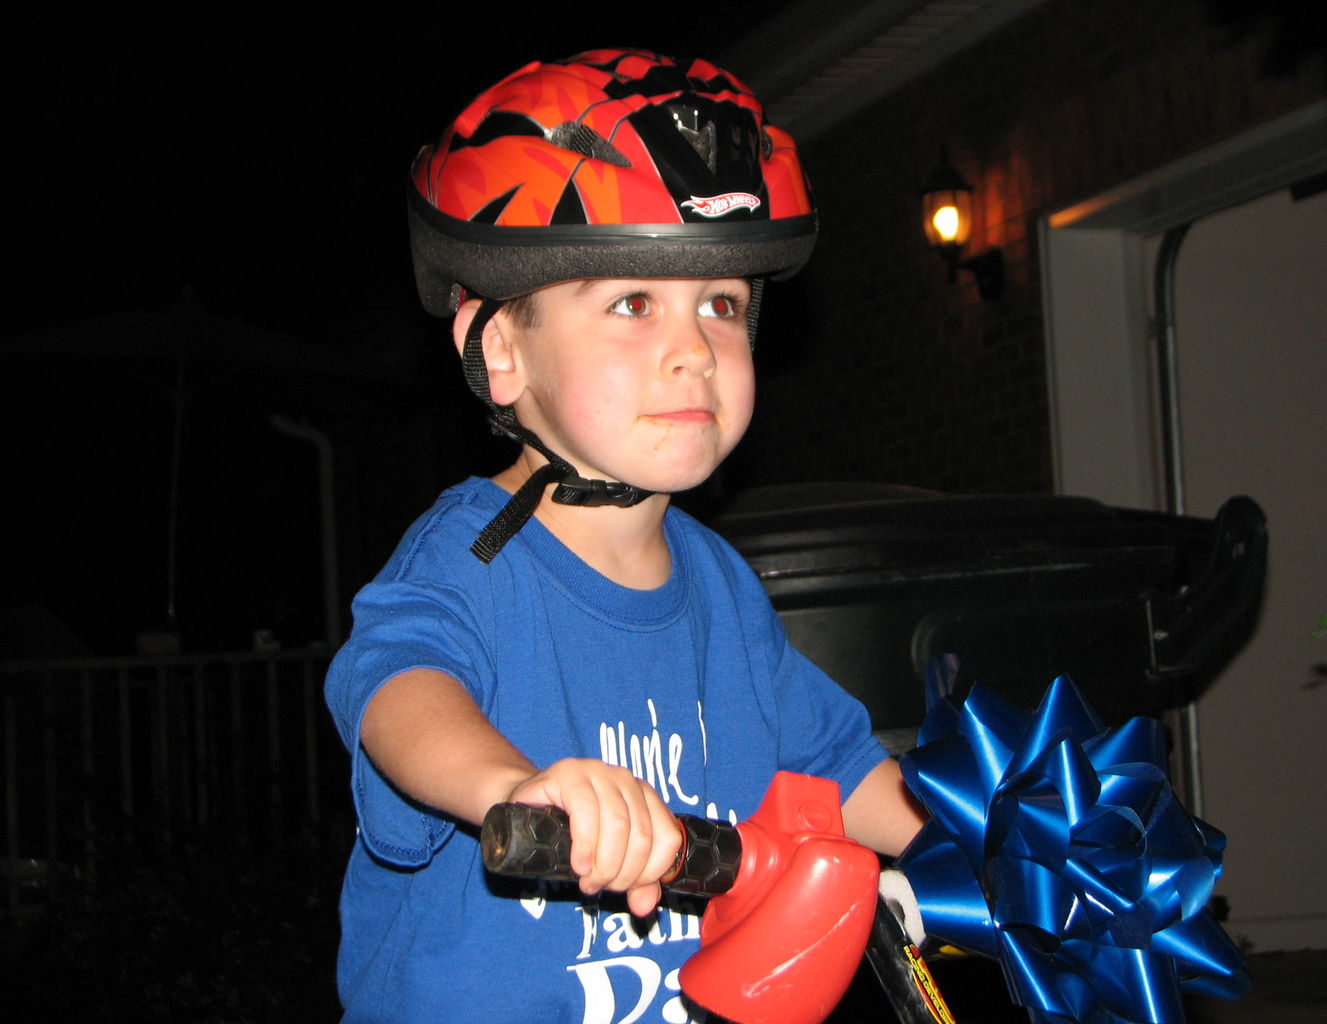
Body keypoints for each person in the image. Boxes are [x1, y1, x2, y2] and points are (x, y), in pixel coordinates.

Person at [325, 48, 925, 1024]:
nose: (694, 347)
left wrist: (991, 850)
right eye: (633, 303)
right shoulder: (472, 559)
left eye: (722, 305)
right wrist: (514, 785)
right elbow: (395, 692)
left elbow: (842, 768)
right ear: (504, 349)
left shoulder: (720, 583)